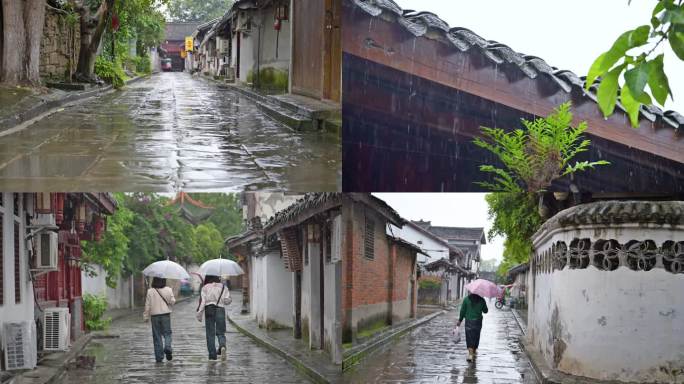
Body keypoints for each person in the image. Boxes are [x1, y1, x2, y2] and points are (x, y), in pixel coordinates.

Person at [196, 275, 232, 361]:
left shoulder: (205, 287)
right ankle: (222, 346)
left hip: (209, 309)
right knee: (221, 332)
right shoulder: (224, 287)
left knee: (210, 333)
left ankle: (212, 355)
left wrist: (199, 314)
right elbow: (227, 301)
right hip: (220, 309)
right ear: (217, 277)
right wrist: (229, 299)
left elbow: (203, 302)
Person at [143, 276, 176, 363]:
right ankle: (168, 347)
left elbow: (147, 305)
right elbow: (173, 302)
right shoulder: (168, 289)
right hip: (165, 315)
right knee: (167, 333)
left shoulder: (150, 291)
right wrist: (170, 294)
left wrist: (146, 316)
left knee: (157, 336)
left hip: (154, 316)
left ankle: (159, 357)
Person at [457, 292, 489, 362]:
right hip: (478, 321)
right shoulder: (482, 300)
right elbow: (486, 311)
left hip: (469, 321)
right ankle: (473, 351)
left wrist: (460, 320)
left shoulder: (466, 299)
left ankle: (470, 354)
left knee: (469, 337)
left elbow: (462, 311)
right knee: (476, 336)